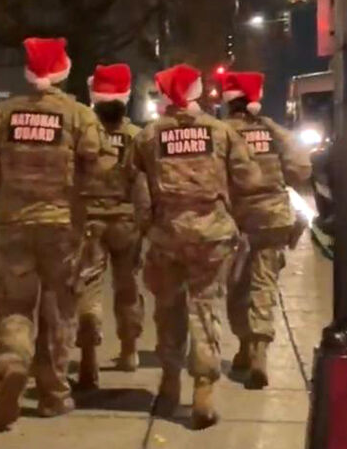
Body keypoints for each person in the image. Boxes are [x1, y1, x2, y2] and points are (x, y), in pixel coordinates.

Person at [0, 37, 106, 431]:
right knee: (59, 310)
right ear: (63, 72)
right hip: (63, 227)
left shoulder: (2, 113)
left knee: (15, 303)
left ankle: (12, 362)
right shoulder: (78, 115)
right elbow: (99, 164)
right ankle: (53, 395)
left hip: (14, 224)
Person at [126, 64, 262, 429]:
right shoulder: (221, 132)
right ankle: (203, 389)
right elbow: (249, 179)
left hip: (167, 237)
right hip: (212, 235)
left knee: (168, 308)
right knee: (205, 307)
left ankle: (170, 384)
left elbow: (136, 190)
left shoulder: (148, 136)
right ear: (197, 92)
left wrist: (148, 228)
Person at [220, 71, 312, 389]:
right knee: (264, 283)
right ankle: (259, 349)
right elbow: (301, 169)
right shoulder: (273, 131)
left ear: (228, 102)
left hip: (236, 219)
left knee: (236, 286)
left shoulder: (222, 132)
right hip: (274, 218)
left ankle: (245, 345)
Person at [76, 64, 145, 389]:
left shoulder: (84, 133)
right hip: (126, 220)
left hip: (89, 219)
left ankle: (88, 356)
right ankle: (129, 350)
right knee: (127, 286)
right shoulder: (136, 136)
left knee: (88, 286)